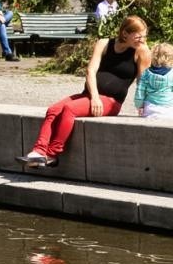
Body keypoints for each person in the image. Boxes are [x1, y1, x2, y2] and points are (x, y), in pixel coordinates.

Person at [19, 15, 149, 167]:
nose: (142, 39)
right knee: (53, 110)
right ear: (125, 33)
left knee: (69, 109)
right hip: (90, 96)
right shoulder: (104, 43)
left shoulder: (142, 51)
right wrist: (94, 97)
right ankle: (38, 152)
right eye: (138, 35)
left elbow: (143, 82)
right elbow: (91, 71)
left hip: (112, 101)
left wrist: (143, 106)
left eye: (144, 35)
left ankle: (52, 154)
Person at [135, 42, 173, 121]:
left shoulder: (146, 73)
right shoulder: (171, 73)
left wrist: (139, 106)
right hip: (169, 110)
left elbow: (140, 92)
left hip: (150, 109)